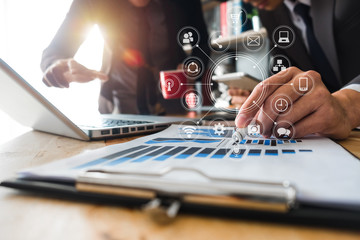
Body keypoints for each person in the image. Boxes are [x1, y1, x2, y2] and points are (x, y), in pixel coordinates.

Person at [41, 0, 209, 115]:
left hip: (174, 108)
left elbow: (202, 45)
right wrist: (58, 68)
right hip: (117, 106)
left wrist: (193, 67)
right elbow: (55, 51)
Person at [231, 0, 360, 139]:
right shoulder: (270, 13)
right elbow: (288, 76)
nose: (245, 1)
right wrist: (264, 100)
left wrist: (347, 105)